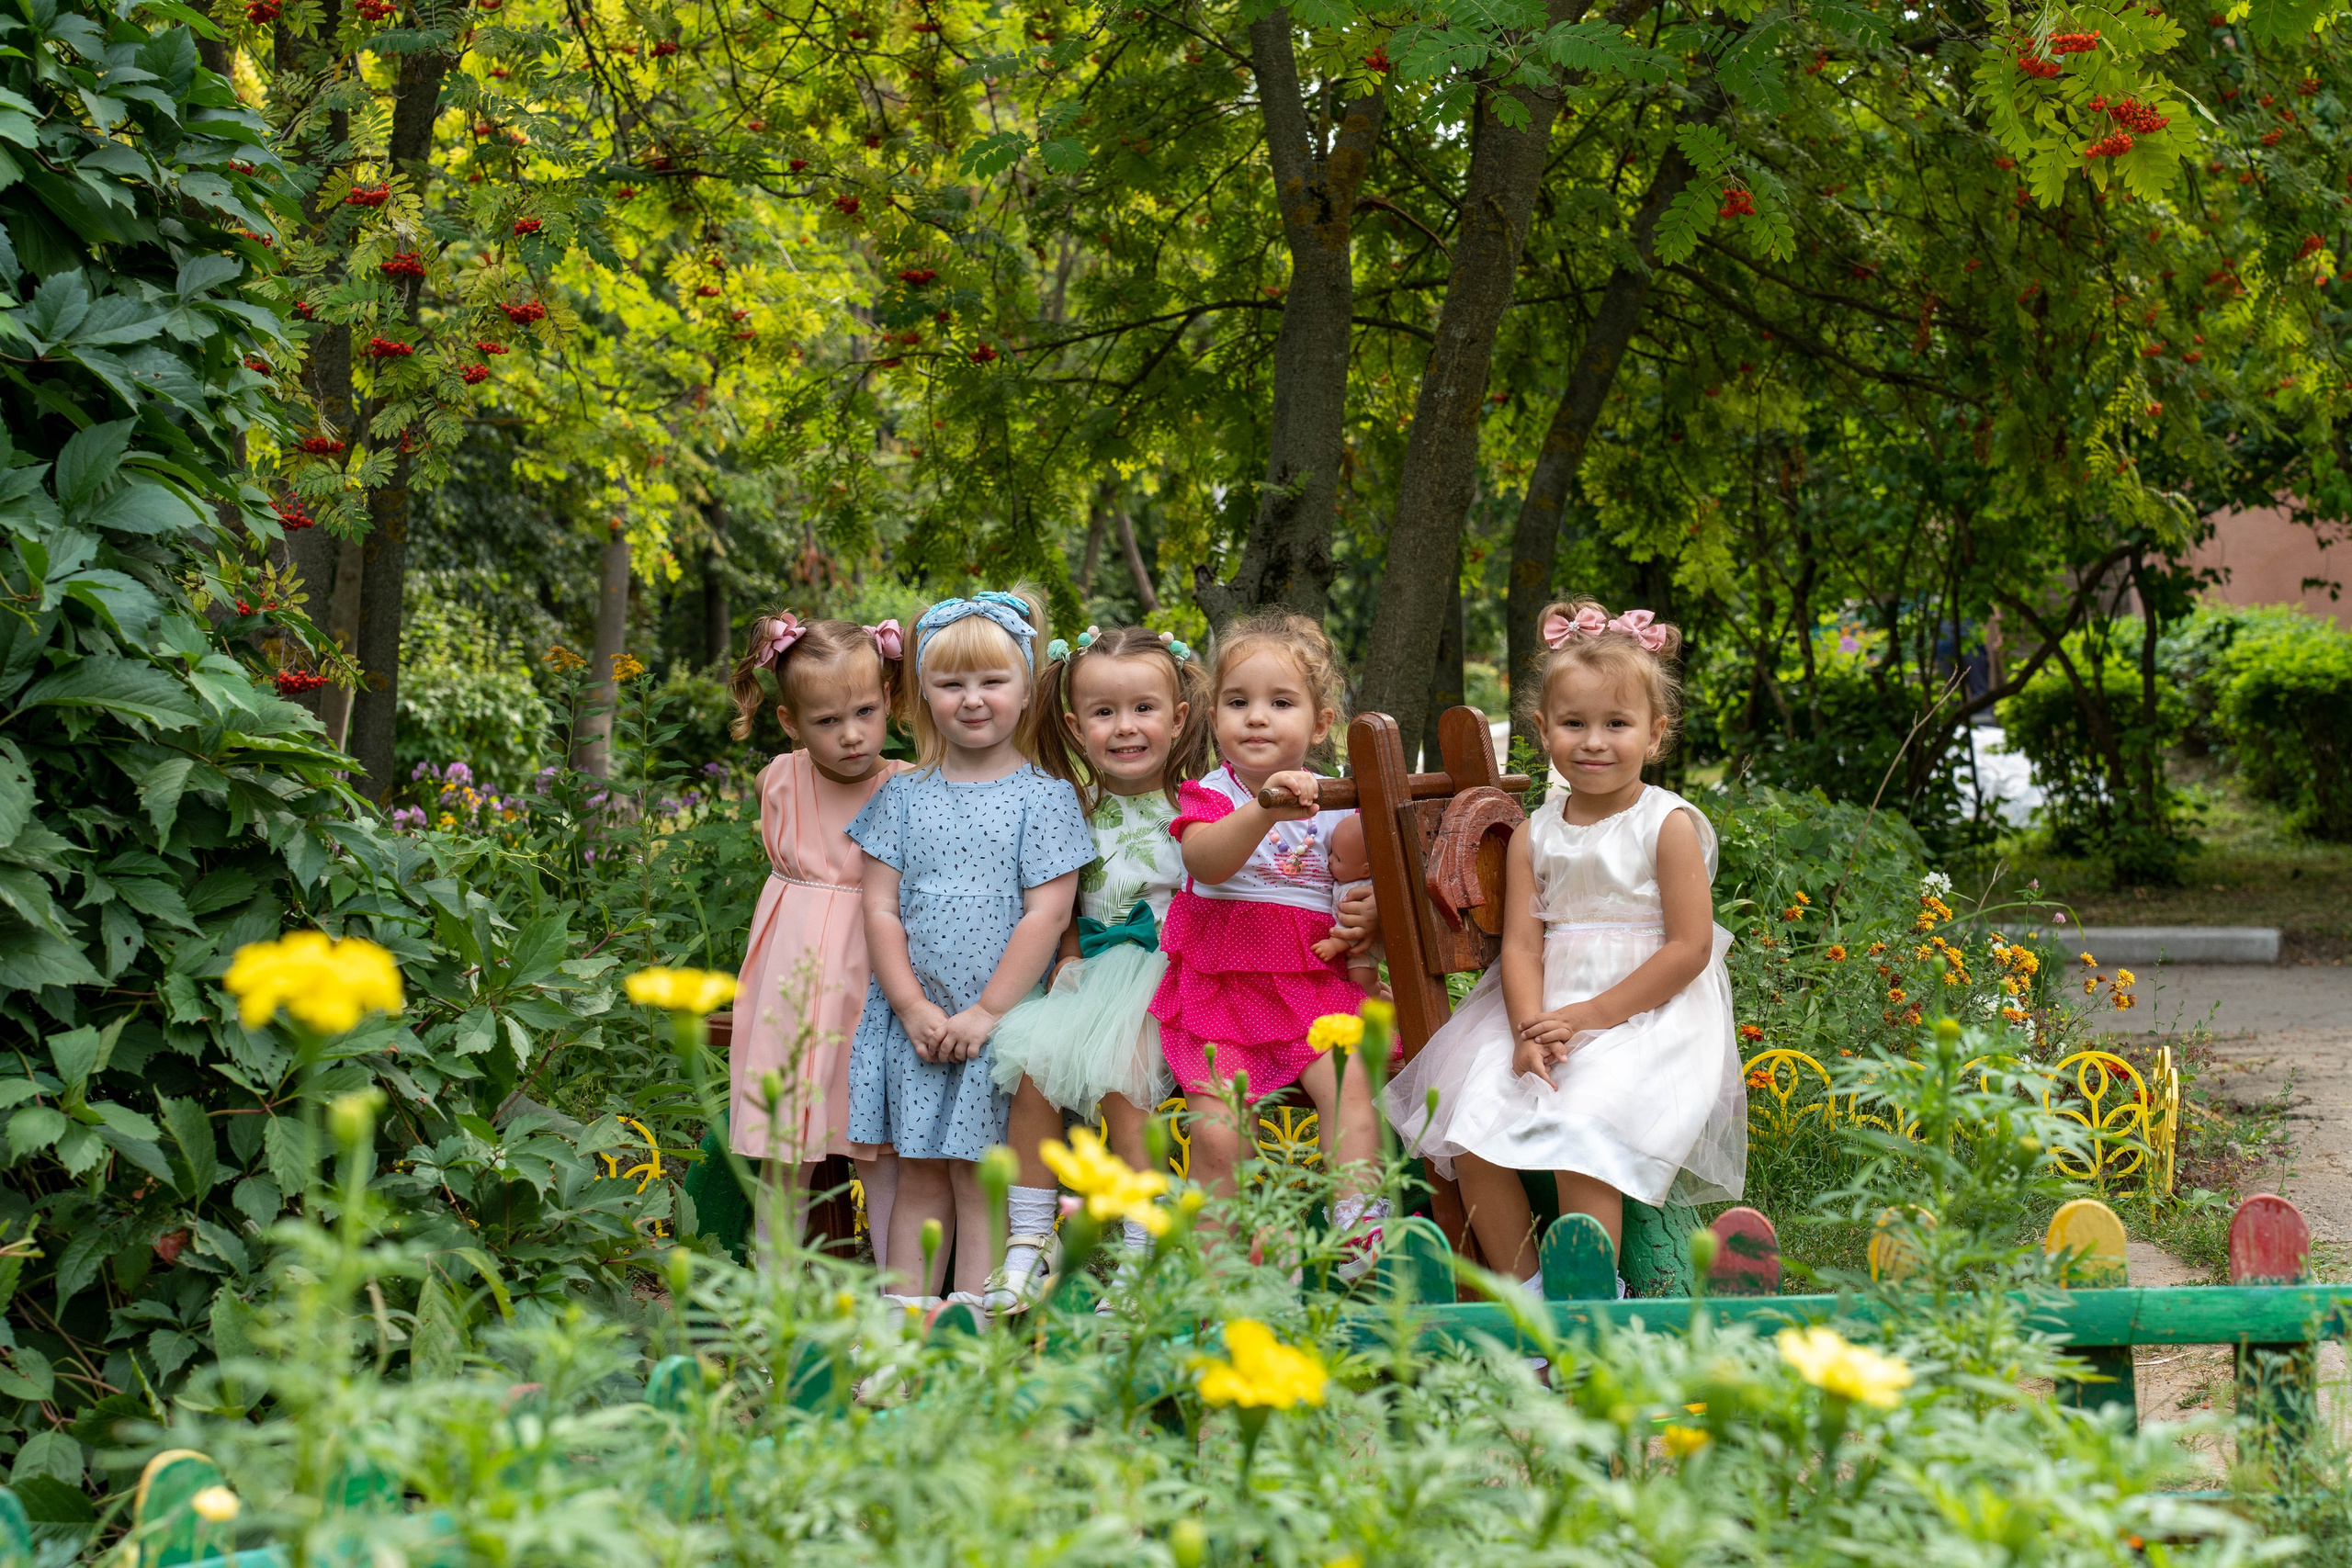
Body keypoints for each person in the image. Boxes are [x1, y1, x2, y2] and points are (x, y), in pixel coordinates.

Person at [1385, 600, 1746, 1294]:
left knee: (1586, 1120)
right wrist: (1526, 1030)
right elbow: (1521, 947)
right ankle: (1527, 1297)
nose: (1594, 741)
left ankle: (1590, 1291)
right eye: (1574, 724)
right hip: (1546, 1011)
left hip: (1646, 1014)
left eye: (1617, 723)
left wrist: (1587, 1018)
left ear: (1655, 733)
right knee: (1471, 1118)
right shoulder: (1536, 834)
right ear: (1544, 730)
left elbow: (1689, 948)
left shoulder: (1666, 824)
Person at [846, 589, 1095, 1304]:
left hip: (1002, 1026)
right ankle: (901, 1331)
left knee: (983, 1172)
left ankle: (976, 1330)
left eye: (992, 681)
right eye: (951, 683)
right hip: (918, 1024)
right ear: (923, 692)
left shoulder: (1045, 795)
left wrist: (987, 1012)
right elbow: (881, 907)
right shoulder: (902, 794)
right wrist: (911, 1004)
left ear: (1027, 687)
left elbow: (1046, 915)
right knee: (921, 1170)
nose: (973, 699)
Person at [982, 625, 1213, 1309]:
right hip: (1091, 975)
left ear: (1176, 719)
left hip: (1168, 977)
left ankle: (1144, 1244)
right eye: (1104, 713)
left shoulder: (1199, 807)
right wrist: (1069, 957)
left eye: (1144, 709)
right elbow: (1058, 901)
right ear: (1076, 726)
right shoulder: (1070, 807)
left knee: (1123, 1077)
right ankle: (1028, 1240)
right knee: (1031, 1071)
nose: (1125, 727)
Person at [1149, 614, 1386, 1256]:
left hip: (1312, 989)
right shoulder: (1210, 795)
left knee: (1349, 1089)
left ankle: (1359, 1230)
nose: (1256, 717)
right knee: (1220, 1132)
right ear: (1213, 715)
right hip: (1220, 999)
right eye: (1238, 702)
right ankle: (1219, 1253)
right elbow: (1206, 863)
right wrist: (1265, 807)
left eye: (1279, 703)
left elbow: (1366, 888)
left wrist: (1367, 914)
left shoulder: (1342, 804)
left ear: (1318, 724)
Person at [723, 613, 908, 1269]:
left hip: (872, 980)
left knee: (881, 1149)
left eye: (864, 710)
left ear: (890, 699)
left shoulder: (907, 785)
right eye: (827, 721)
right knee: (784, 1146)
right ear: (790, 723)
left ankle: (898, 1297)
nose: (851, 734)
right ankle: (774, 1297)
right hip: (791, 978)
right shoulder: (781, 780)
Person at [1308, 813, 1382, 998]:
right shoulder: (1346, 879)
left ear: (1365, 870)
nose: (1330, 860)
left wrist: (1333, 945)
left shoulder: (1357, 891)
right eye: (1331, 852)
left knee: (1362, 983)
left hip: (1360, 952)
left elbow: (1351, 926)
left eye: (1338, 859)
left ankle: (1379, 1006)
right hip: (1350, 950)